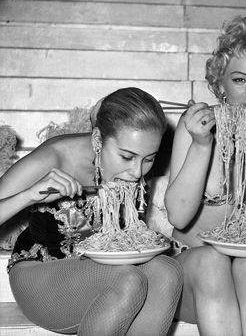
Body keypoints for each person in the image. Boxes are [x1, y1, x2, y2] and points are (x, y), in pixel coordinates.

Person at [0, 87, 183, 336]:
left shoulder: (134, 168)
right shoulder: (55, 158)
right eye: (126, 156)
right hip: (41, 276)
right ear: (98, 139)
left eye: (149, 158)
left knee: (167, 271)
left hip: (106, 274)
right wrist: (29, 195)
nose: (137, 172)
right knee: (129, 279)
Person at [163, 15, 246, 335]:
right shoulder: (198, 126)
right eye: (239, 80)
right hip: (196, 270)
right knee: (212, 261)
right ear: (221, 84)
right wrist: (201, 145)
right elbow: (178, 217)